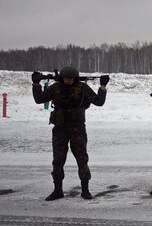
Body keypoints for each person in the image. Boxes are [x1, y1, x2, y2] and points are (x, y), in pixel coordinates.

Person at [32, 65, 108, 201]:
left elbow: (99, 102)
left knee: (82, 159)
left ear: (75, 78)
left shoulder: (82, 88)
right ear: (62, 77)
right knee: (58, 161)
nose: (69, 80)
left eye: (71, 78)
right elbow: (39, 99)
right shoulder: (55, 88)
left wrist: (102, 87)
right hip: (60, 129)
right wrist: (36, 84)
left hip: (77, 128)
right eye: (66, 78)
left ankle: (85, 190)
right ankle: (57, 190)